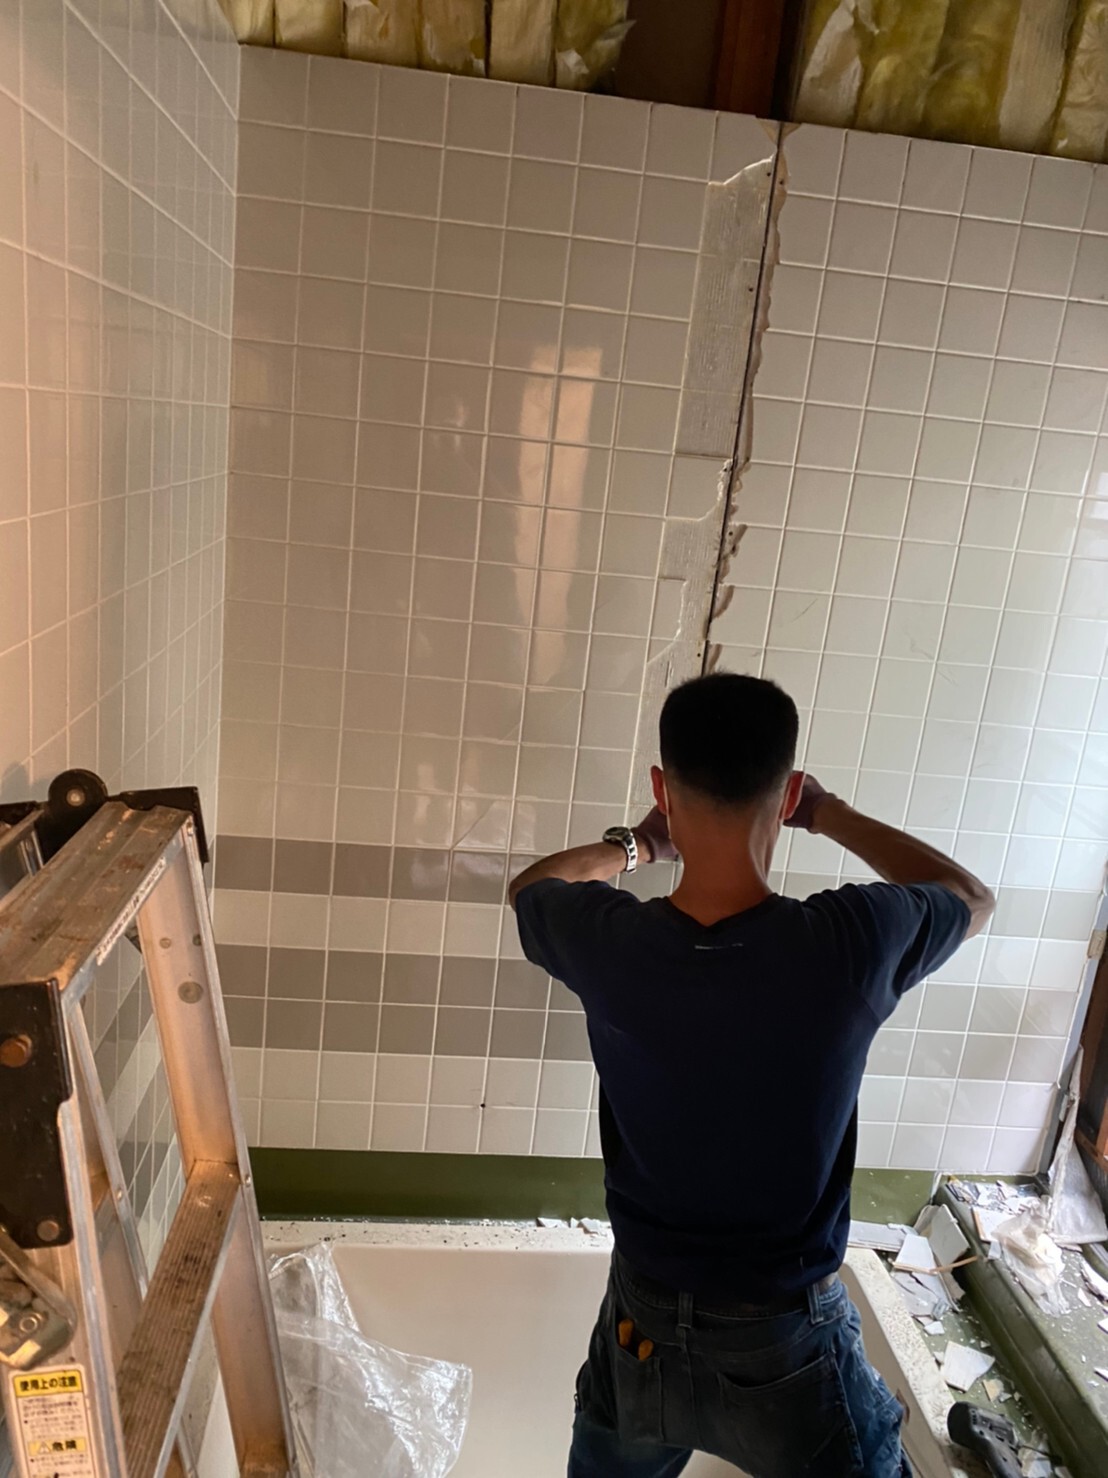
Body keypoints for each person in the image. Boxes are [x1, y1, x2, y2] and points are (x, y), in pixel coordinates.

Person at [509, 672, 994, 1478]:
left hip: (642, 1322)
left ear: (661, 789)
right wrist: (831, 814)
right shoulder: (849, 944)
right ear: (789, 792)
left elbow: (532, 887)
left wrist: (639, 846)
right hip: (784, 1336)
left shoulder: (611, 944)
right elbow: (969, 898)